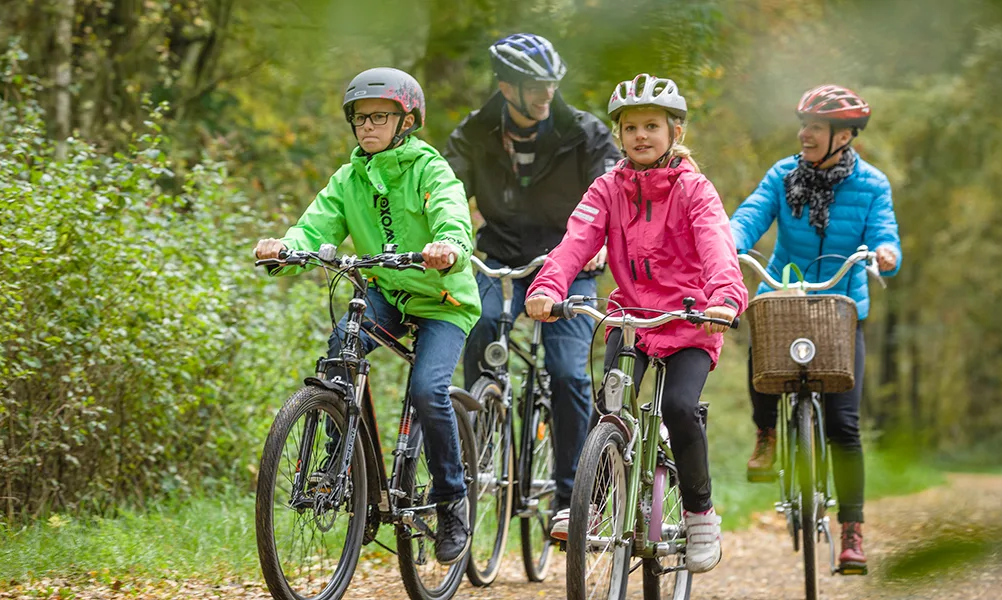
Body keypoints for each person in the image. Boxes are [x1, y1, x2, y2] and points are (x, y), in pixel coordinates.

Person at [252, 67, 481, 565]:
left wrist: (449, 247)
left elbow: (451, 214)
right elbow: (314, 225)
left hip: (442, 300)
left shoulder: (429, 168)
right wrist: (285, 248)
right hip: (386, 293)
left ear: (407, 121)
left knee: (426, 390)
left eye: (380, 116)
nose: (367, 126)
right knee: (341, 348)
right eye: (359, 118)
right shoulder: (349, 177)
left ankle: (452, 502)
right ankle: (343, 463)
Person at [524, 74, 748, 573]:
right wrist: (548, 286)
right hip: (632, 319)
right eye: (630, 127)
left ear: (676, 133)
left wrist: (724, 298)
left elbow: (716, 245)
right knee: (609, 408)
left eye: (652, 126)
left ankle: (699, 514)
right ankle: (592, 508)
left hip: (691, 319)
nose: (641, 136)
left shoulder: (694, 189)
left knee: (679, 407)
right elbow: (576, 239)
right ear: (619, 134)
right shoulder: (608, 187)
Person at [444, 33, 622, 532]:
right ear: (506, 86)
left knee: (566, 373)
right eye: (534, 85)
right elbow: (445, 193)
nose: (546, 94)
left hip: (572, 264)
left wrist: (604, 242)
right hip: (499, 258)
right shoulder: (474, 133)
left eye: (551, 84)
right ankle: (480, 422)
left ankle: (571, 499)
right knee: (475, 322)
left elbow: (614, 190)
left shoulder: (584, 133)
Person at [729, 84, 902, 574]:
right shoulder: (783, 175)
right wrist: (730, 241)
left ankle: (852, 531)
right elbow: (750, 215)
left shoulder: (872, 185)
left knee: (845, 426)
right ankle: (766, 436)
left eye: (817, 127)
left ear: (844, 136)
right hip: (784, 297)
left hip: (842, 309)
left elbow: (885, 235)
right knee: (761, 345)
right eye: (802, 124)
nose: (804, 134)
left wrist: (886, 255)